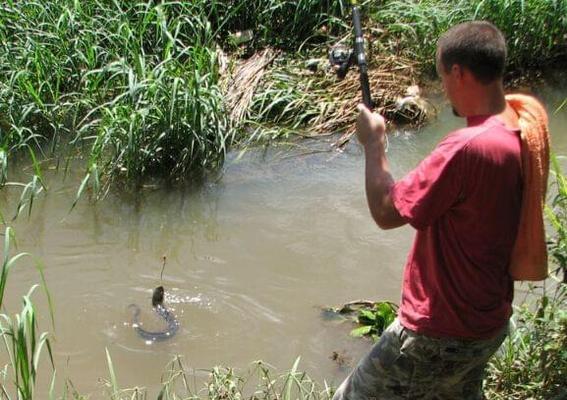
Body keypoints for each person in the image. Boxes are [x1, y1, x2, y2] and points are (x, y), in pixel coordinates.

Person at [333, 21, 531, 400]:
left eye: (442, 76)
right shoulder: (520, 131)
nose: (443, 88)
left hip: (439, 332)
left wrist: (374, 144)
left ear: (458, 72)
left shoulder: (465, 148)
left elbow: (386, 213)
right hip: (488, 324)